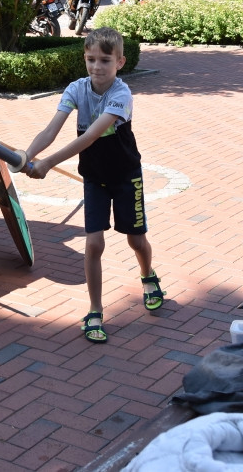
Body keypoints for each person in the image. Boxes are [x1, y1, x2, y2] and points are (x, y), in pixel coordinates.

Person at [23, 27, 165, 343]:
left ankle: (148, 276)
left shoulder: (121, 95)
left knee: (136, 240)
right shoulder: (76, 89)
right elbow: (50, 131)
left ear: (120, 62)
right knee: (93, 243)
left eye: (104, 60)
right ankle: (95, 310)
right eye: (90, 59)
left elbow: (89, 137)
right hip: (95, 178)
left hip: (126, 176)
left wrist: (47, 163)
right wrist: (27, 154)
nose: (97, 67)